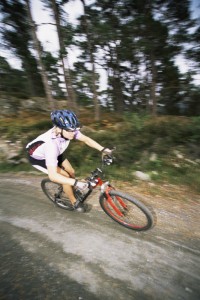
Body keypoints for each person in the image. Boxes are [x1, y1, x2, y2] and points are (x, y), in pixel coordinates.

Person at [26, 109, 112, 212]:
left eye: (75, 129)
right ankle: (74, 202)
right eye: (70, 130)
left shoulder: (68, 130)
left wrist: (103, 149)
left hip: (57, 152)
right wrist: (76, 183)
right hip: (39, 158)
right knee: (65, 177)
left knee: (71, 171)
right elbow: (53, 176)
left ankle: (72, 188)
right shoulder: (51, 145)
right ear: (58, 129)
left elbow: (86, 139)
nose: (73, 133)